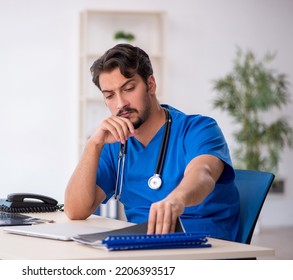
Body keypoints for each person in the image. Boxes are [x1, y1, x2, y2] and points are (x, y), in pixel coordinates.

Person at [64, 44, 240, 241]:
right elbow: (75, 210)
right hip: (143, 246)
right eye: (110, 96)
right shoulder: (115, 145)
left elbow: (204, 174)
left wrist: (177, 199)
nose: (121, 104)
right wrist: (93, 145)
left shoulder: (198, 129)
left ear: (151, 85)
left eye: (129, 88)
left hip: (206, 246)